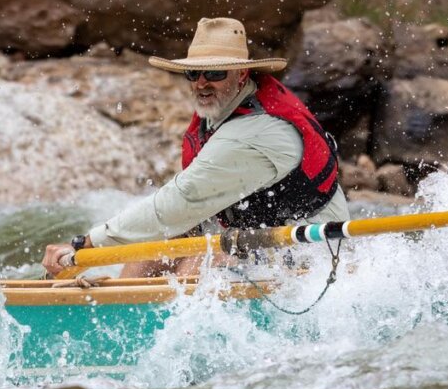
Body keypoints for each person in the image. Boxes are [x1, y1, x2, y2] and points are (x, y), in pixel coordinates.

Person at [42, 17, 347, 278]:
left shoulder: (253, 132)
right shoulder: (224, 109)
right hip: (255, 236)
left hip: (313, 251)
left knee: (199, 265)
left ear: (242, 74)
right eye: (194, 73)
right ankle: (121, 312)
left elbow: (182, 199)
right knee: (150, 253)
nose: (201, 83)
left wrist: (85, 244)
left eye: (214, 73)